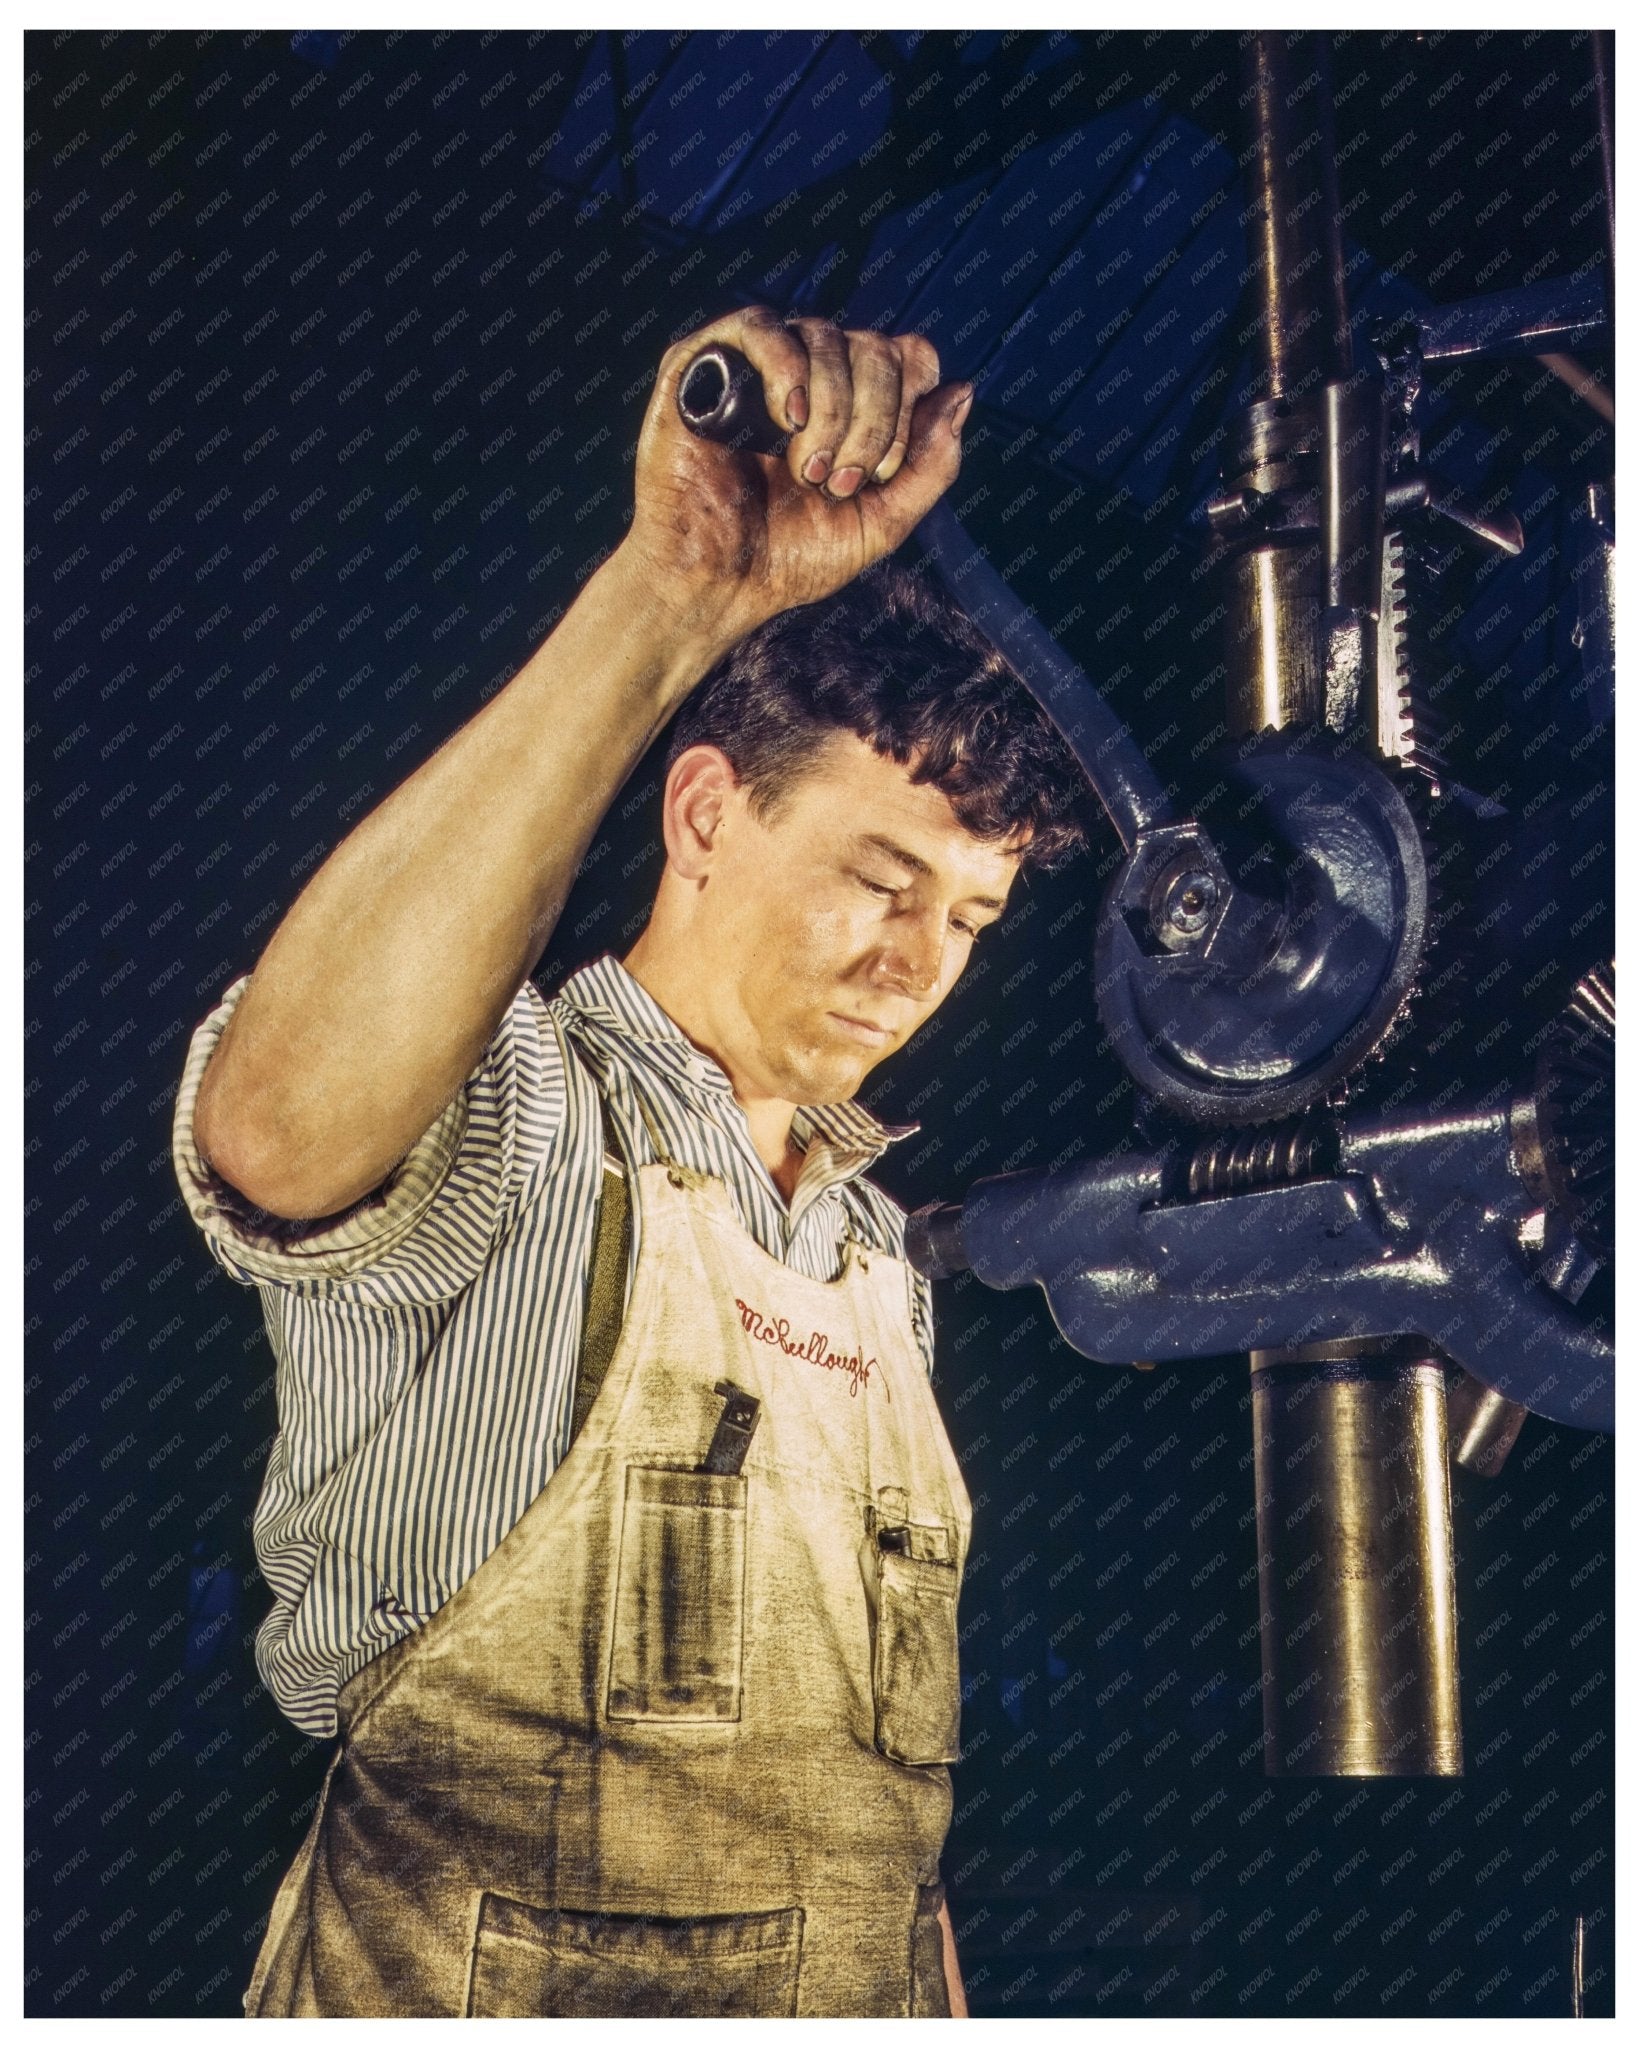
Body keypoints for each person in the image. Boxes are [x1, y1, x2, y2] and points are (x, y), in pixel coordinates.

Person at [171, 305, 1087, 2017]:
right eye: (882, 880)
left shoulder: (882, 1259)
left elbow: (881, 1833)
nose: (919, 963)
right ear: (704, 816)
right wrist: (673, 594)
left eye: (969, 917)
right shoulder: (522, 1112)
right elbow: (275, 1128)